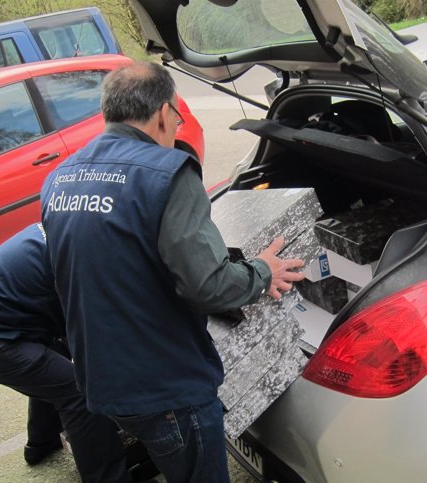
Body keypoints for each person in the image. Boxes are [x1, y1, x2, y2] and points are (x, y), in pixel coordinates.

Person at [40, 61, 305, 483]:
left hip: (103, 381)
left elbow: (105, 265)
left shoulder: (62, 178)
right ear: (164, 113)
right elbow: (209, 286)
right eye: (177, 117)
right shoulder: (166, 175)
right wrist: (261, 270)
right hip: (165, 391)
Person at [0, 223, 131, 483]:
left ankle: (41, 444)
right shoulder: (80, 254)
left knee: (50, 370)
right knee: (77, 392)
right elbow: (87, 330)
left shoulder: (64, 228)